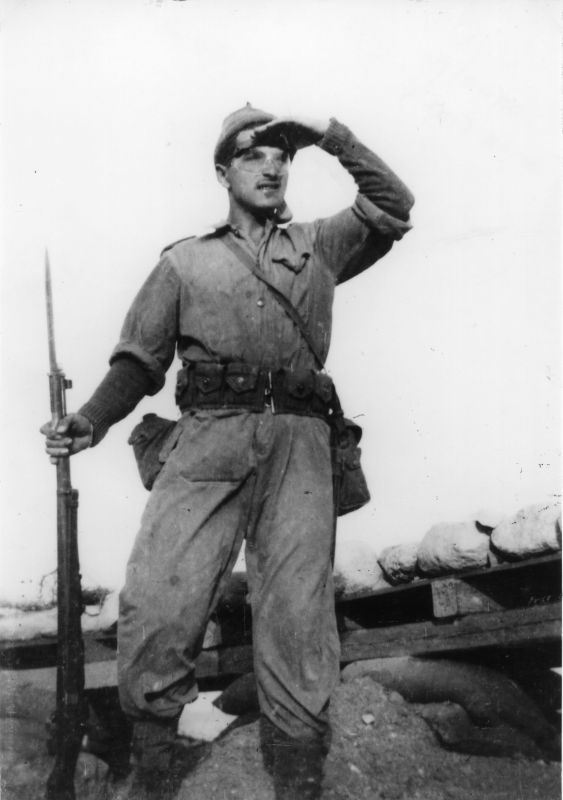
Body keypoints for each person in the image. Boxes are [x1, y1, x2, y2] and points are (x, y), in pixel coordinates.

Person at [41, 105, 414, 799]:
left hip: (301, 446)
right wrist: (90, 420)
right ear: (222, 173)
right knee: (159, 598)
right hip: (207, 441)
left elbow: (393, 204)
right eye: (252, 155)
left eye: (282, 155)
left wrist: (329, 136)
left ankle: (297, 782)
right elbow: (138, 362)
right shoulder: (184, 262)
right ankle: (154, 776)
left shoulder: (319, 246)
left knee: (297, 617)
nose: (271, 167)